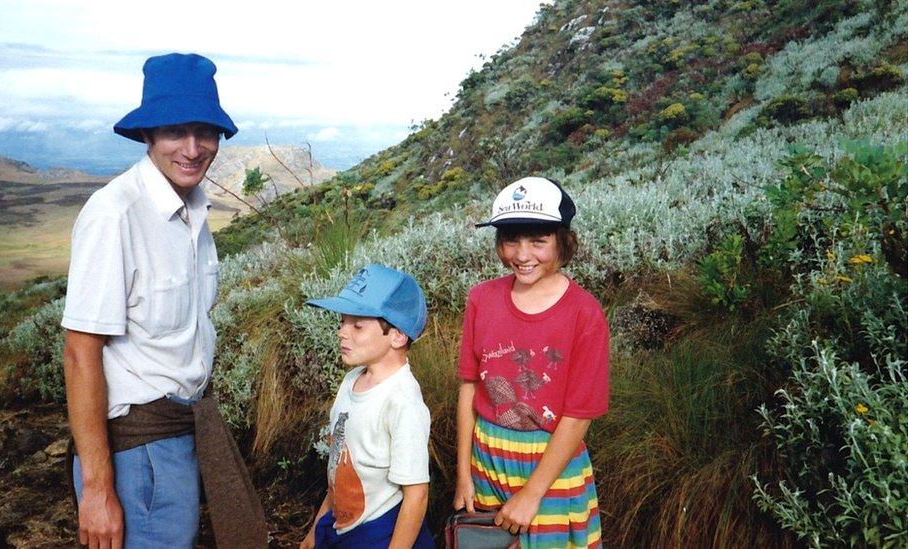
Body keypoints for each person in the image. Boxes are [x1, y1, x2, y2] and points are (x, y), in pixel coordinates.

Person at [61, 52, 266, 548]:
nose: (193, 149)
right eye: (176, 131)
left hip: (182, 432)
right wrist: (98, 489)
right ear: (148, 134)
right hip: (137, 449)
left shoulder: (194, 209)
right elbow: (79, 352)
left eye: (206, 132)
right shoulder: (115, 215)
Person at [453, 176, 610, 548]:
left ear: (563, 242)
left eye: (538, 241)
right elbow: (469, 387)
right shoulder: (482, 299)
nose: (522, 255)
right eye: (511, 240)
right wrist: (463, 472)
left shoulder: (584, 314)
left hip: (552, 468)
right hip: (486, 459)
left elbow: (579, 414)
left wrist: (531, 494)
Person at [299, 264, 436, 549]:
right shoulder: (350, 382)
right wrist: (317, 526)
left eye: (357, 325)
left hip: (383, 534)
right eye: (342, 322)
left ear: (397, 336)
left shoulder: (403, 402)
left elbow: (416, 495)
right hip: (342, 527)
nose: (342, 332)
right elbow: (339, 465)